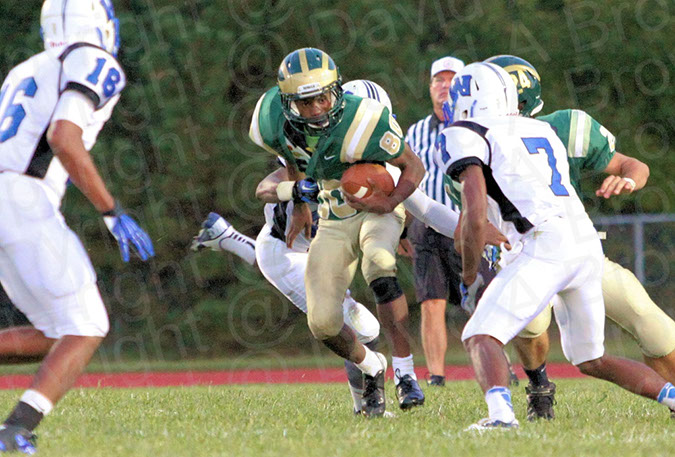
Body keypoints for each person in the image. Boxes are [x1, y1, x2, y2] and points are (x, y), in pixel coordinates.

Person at [194, 79, 506, 414]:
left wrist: (472, 231)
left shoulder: (380, 165)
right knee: (362, 326)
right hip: (286, 252)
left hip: (317, 247)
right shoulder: (312, 153)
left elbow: (427, 209)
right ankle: (367, 400)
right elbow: (266, 186)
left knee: (368, 289)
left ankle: (229, 238)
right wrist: (298, 193)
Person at [435, 61, 675, 430]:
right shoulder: (540, 129)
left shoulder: (464, 134)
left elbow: (476, 214)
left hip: (542, 246)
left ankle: (501, 417)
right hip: (583, 244)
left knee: (479, 334)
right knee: (590, 358)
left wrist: (468, 275)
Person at [0, 0, 154, 452]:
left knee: (54, 331)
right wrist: (111, 210)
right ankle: (15, 430)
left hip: (10, 194)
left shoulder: (26, 69)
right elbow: (63, 137)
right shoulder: (92, 57)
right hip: (22, 197)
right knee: (87, 325)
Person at [248, 48, 426, 417]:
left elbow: (413, 168)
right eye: (305, 102)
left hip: (375, 213)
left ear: (338, 91)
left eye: (322, 98)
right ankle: (372, 367)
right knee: (323, 323)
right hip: (332, 219)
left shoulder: (366, 121)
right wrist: (300, 200)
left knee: (379, 263)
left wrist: (390, 201)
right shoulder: (275, 122)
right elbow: (286, 163)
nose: (316, 109)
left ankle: (405, 372)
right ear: (288, 103)